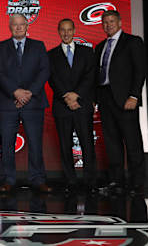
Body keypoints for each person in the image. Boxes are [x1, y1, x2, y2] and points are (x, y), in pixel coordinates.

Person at [0, 13, 51, 193]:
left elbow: (44, 71)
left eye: (21, 25)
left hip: (33, 102)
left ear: (27, 26)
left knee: (35, 143)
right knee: (7, 143)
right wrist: (15, 92)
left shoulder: (38, 46)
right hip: (8, 102)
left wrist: (29, 93)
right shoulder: (0, 47)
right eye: (15, 25)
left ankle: (37, 179)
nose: (18, 28)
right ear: (10, 27)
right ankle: (8, 180)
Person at [95, 10, 147, 195]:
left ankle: (136, 182)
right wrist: (96, 100)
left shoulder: (133, 42)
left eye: (111, 21)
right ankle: (116, 181)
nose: (108, 25)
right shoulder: (100, 46)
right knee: (112, 142)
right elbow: (97, 75)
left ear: (119, 22)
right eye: (105, 22)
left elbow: (140, 71)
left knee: (132, 141)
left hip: (126, 99)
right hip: (105, 98)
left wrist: (134, 96)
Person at [48, 18, 96, 194]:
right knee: (64, 144)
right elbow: (52, 79)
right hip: (62, 106)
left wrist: (77, 95)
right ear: (58, 31)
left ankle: (90, 181)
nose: (66, 33)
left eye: (69, 30)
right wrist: (66, 97)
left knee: (87, 143)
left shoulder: (87, 52)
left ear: (74, 30)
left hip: (82, 104)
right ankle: (71, 181)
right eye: (63, 30)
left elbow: (91, 76)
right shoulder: (50, 55)